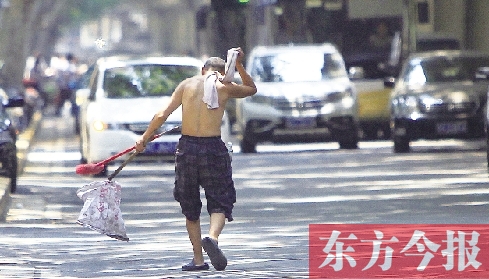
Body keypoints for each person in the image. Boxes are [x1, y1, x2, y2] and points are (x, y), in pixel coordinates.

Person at [135, 47, 257, 271]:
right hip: (213, 148)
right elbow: (251, 89)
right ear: (223, 72)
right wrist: (238, 64)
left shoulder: (187, 84)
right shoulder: (225, 86)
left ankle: (199, 260)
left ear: (203, 70)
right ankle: (213, 237)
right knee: (220, 198)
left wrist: (144, 139)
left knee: (190, 204)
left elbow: (162, 114)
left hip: (188, 148)